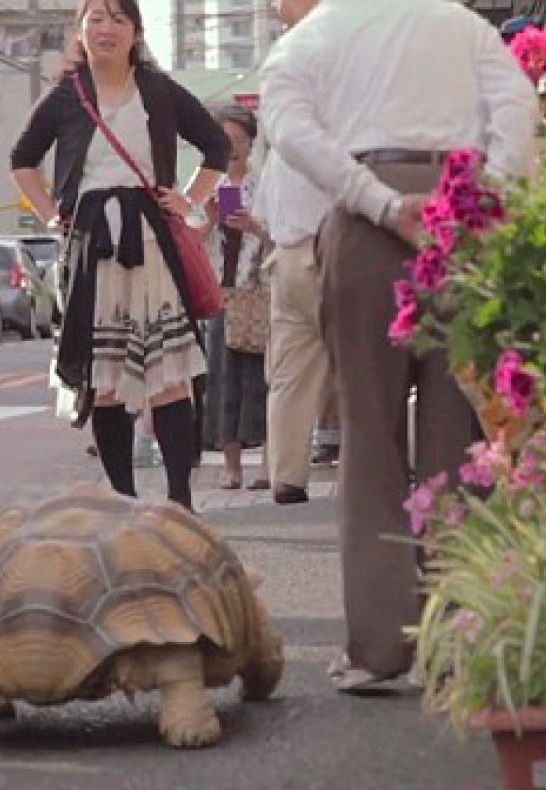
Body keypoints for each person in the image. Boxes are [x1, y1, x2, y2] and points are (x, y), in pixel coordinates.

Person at [260, 0, 539, 687]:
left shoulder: (317, 32)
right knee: (459, 427)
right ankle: (457, 644)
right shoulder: (467, 27)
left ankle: (377, 649)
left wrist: (374, 198)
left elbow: (287, 127)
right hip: (460, 213)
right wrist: (487, 199)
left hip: (364, 223)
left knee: (369, 433)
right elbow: (520, 111)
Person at [10, 0, 229, 511]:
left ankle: (180, 502)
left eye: (117, 19)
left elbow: (216, 145)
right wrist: (48, 212)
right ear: (81, 31)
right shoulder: (67, 95)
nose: (105, 29)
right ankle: (123, 502)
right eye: (95, 20)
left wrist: (189, 199)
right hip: (91, 247)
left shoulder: (157, 89)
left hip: (152, 241)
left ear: (135, 31)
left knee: (169, 377)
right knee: (105, 379)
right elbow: (22, 160)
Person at [251, 0, 332, 506]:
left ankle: (287, 475)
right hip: (325, 241)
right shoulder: (329, 55)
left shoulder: (295, 59)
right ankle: (379, 471)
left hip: (292, 246)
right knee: (364, 362)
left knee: (289, 373)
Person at [203, 105, 270, 491]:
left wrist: (252, 226)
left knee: (259, 379)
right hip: (218, 293)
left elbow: (279, 236)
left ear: (250, 143)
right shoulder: (204, 186)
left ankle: (265, 463)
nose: (233, 148)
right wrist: (212, 218)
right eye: (225, 140)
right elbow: (189, 241)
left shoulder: (262, 185)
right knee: (222, 379)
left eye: (239, 140)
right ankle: (232, 467)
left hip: (256, 290)